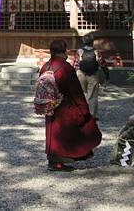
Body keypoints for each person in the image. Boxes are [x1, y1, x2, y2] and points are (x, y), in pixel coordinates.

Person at [40, 39, 102, 172]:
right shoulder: (65, 67)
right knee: (67, 133)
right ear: (64, 50)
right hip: (65, 108)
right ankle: (62, 161)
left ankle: (53, 161)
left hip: (50, 106)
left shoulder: (46, 66)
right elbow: (76, 92)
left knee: (53, 133)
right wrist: (84, 109)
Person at [75, 34, 104, 120]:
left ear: (84, 42)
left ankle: (82, 113)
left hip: (81, 74)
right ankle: (92, 116)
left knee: (81, 94)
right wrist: (106, 74)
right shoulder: (96, 52)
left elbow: (76, 64)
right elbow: (102, 63)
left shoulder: (79, 51)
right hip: (93, 75)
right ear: (93, 42)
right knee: (93, 96)